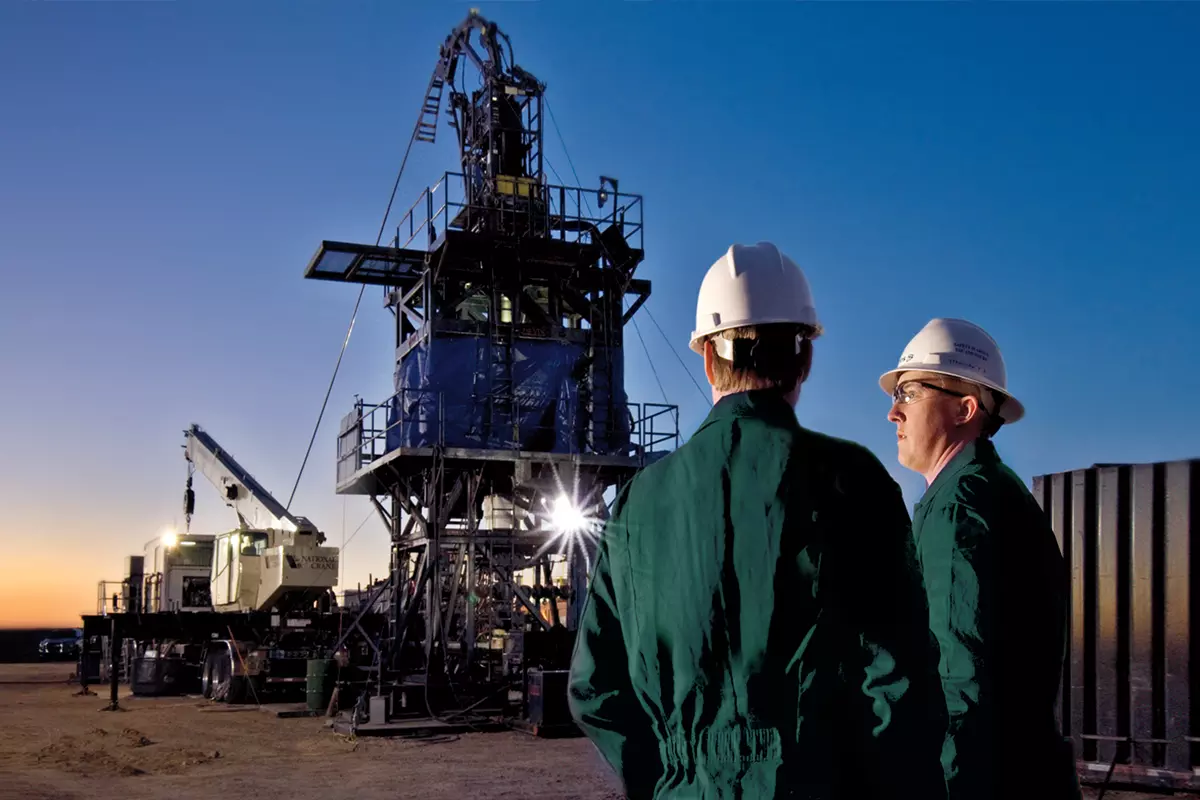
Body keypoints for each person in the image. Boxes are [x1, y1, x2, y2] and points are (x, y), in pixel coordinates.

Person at [568, 242, 947, 799]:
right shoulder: (853, 480)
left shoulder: (636, 503)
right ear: (806, 359)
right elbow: (901, 680)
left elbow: (594, 689)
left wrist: (671, 781)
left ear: (705, 358)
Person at [879, 318, 1079, 800]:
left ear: (965, 409)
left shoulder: (958, 508)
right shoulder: (989, 489)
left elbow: (960, 688)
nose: (892, 414)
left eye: (908, 392)